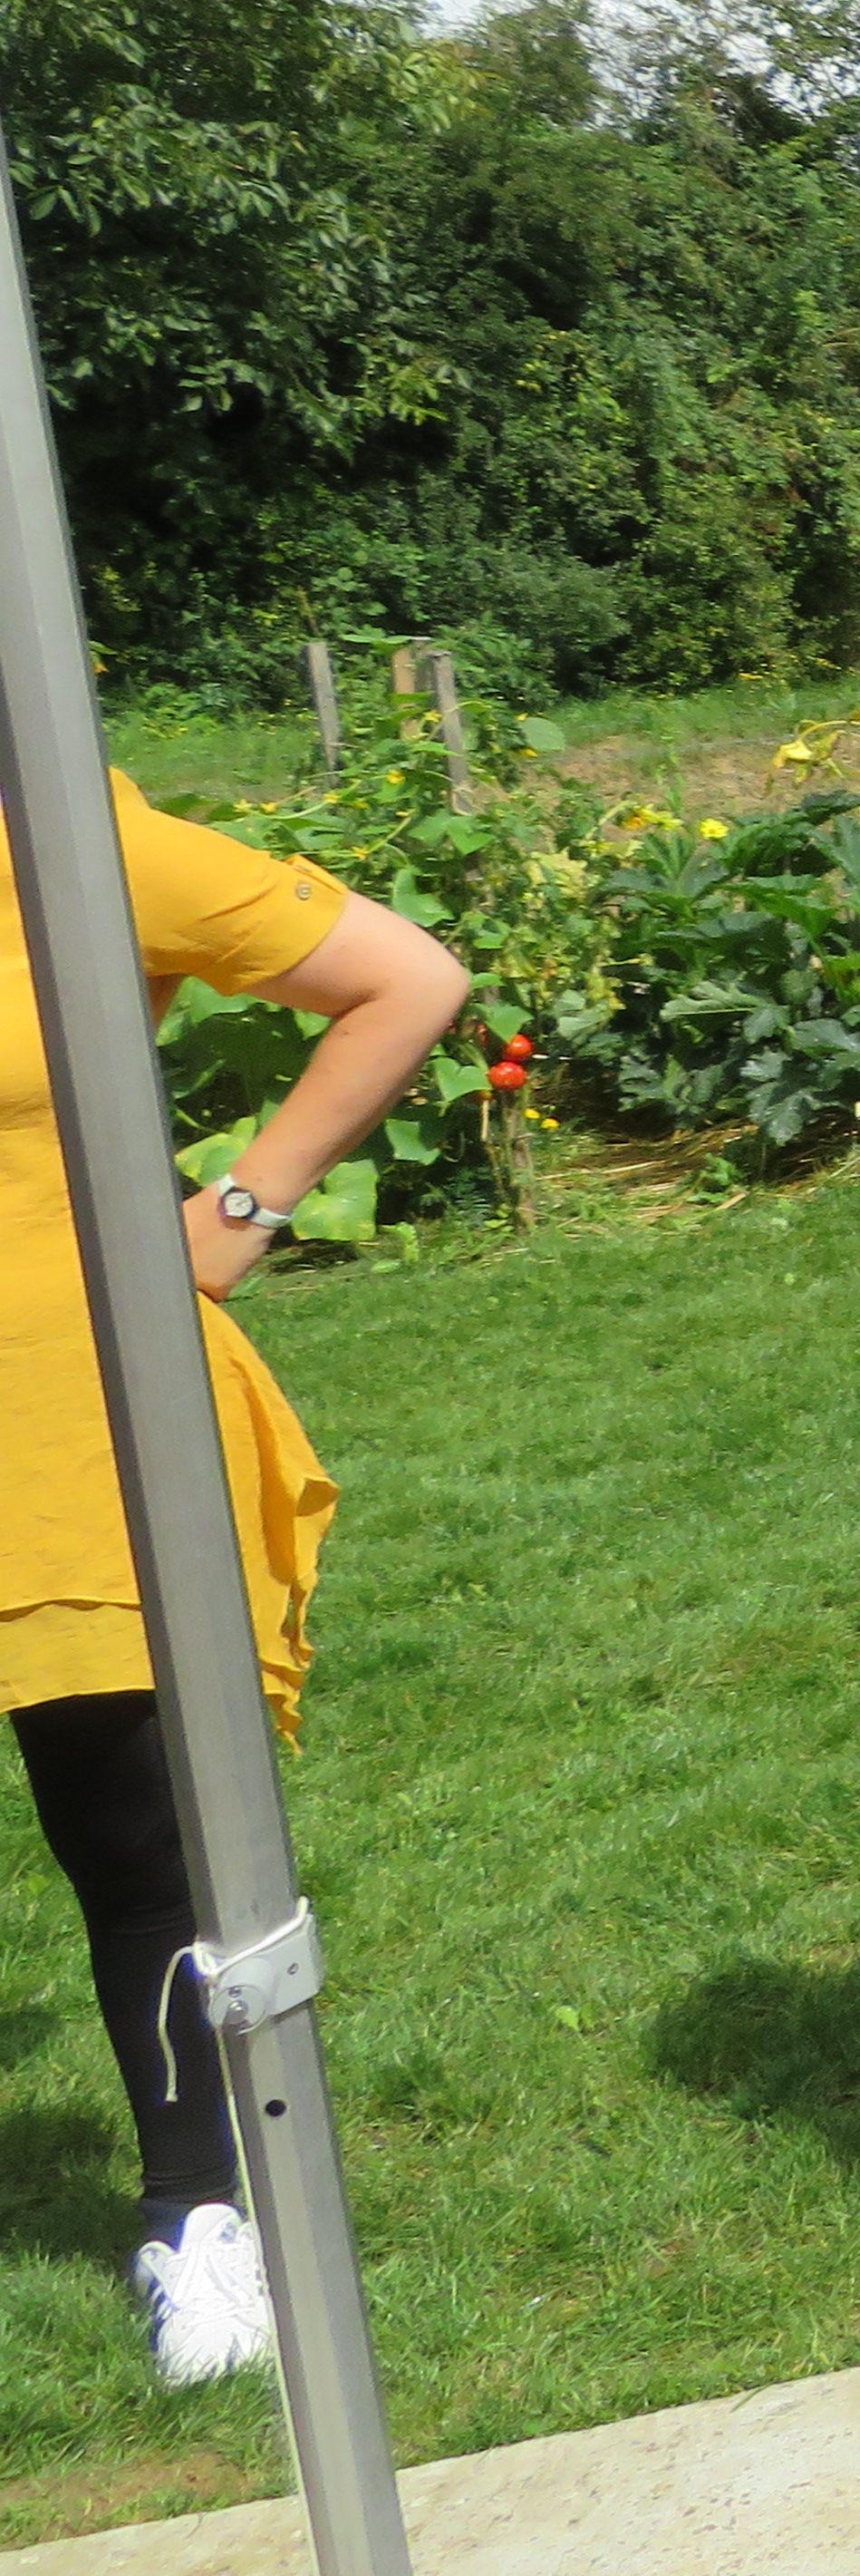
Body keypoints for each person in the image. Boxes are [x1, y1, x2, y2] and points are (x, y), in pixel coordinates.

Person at [0, 773, 469, 2385]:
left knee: (129, 1834)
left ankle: (194, 2211)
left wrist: (244, 1208)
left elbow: (406, 977)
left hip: (61, 1411)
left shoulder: (70, 838)